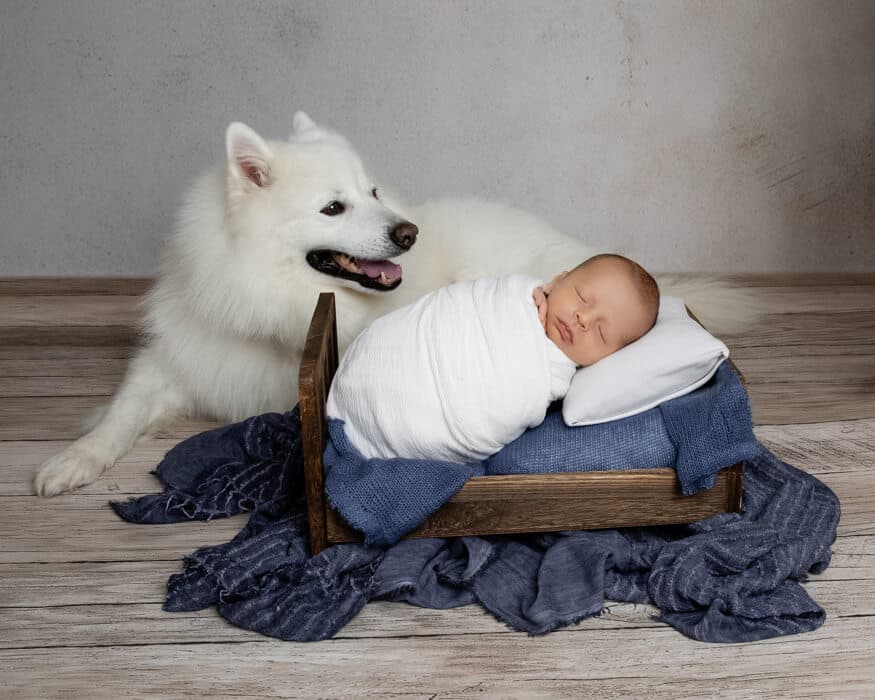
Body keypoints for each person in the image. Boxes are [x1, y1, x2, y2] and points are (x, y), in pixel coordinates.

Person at [326, 253, 660, 463]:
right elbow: (460, 306)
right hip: (393, 358)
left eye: (601, 333)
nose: (583, 319)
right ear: (559, 280)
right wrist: (525, 296)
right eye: (582, 296)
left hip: (425, 421)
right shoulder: (509, 297)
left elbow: (511, 403)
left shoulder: (550, 376)